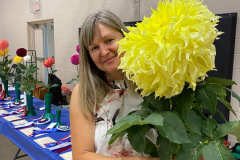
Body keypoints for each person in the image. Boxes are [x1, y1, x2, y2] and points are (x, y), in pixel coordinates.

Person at [70, 10, 158, 160]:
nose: (104, 52)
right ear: (88, 56)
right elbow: (81, 156)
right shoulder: (84, 93)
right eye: (94, 48)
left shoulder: (155, 83)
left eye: (109, 40)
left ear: (125, 37)